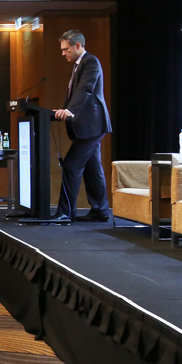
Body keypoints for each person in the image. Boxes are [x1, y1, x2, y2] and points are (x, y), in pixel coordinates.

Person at [52, 30, 112, 222]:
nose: (63, 54)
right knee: (93, 169)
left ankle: (65, 213)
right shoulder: (78, 65)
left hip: (92, 126)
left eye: (65, 49)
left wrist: (70, 111)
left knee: (71, 165)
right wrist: (63, 109)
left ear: (77, 46)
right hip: (87, 127)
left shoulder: (91, 62)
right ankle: (101, 210)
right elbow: (74, 93)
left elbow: (85, 90)